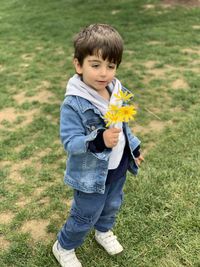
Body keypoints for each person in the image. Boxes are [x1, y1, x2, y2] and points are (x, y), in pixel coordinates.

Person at [52, 23, 144, 267]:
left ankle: (103, 231)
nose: (104, 73)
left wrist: (133, 149)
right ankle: (64, 246)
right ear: (78, 65)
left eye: (111, 66)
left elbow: (124, 128)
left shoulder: (117, 91)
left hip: (117, 167)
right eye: (95, 65)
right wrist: (98, 140)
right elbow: (70, 143)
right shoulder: (74, 104)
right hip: (90, 175)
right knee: (85, 215)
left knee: (112, 205)